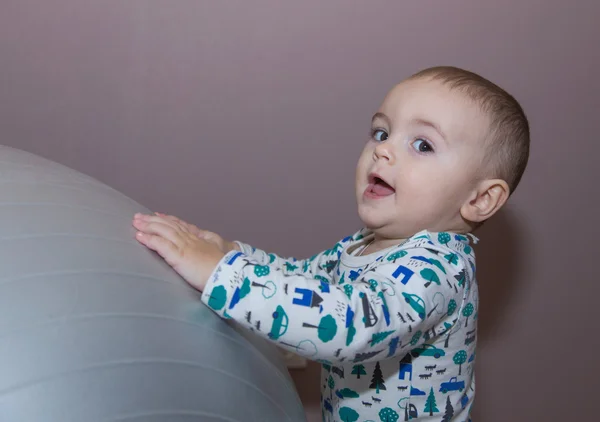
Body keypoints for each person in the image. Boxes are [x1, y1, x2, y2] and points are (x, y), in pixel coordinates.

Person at [132, 66, 530, 421]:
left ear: (480, 200)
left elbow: (349, 327)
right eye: (381, 132)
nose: (383, 149)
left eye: (422, 145)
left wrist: (221, 275)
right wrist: (230, 253)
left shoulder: (440, 269)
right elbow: (303, 278)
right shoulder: (365, 244)